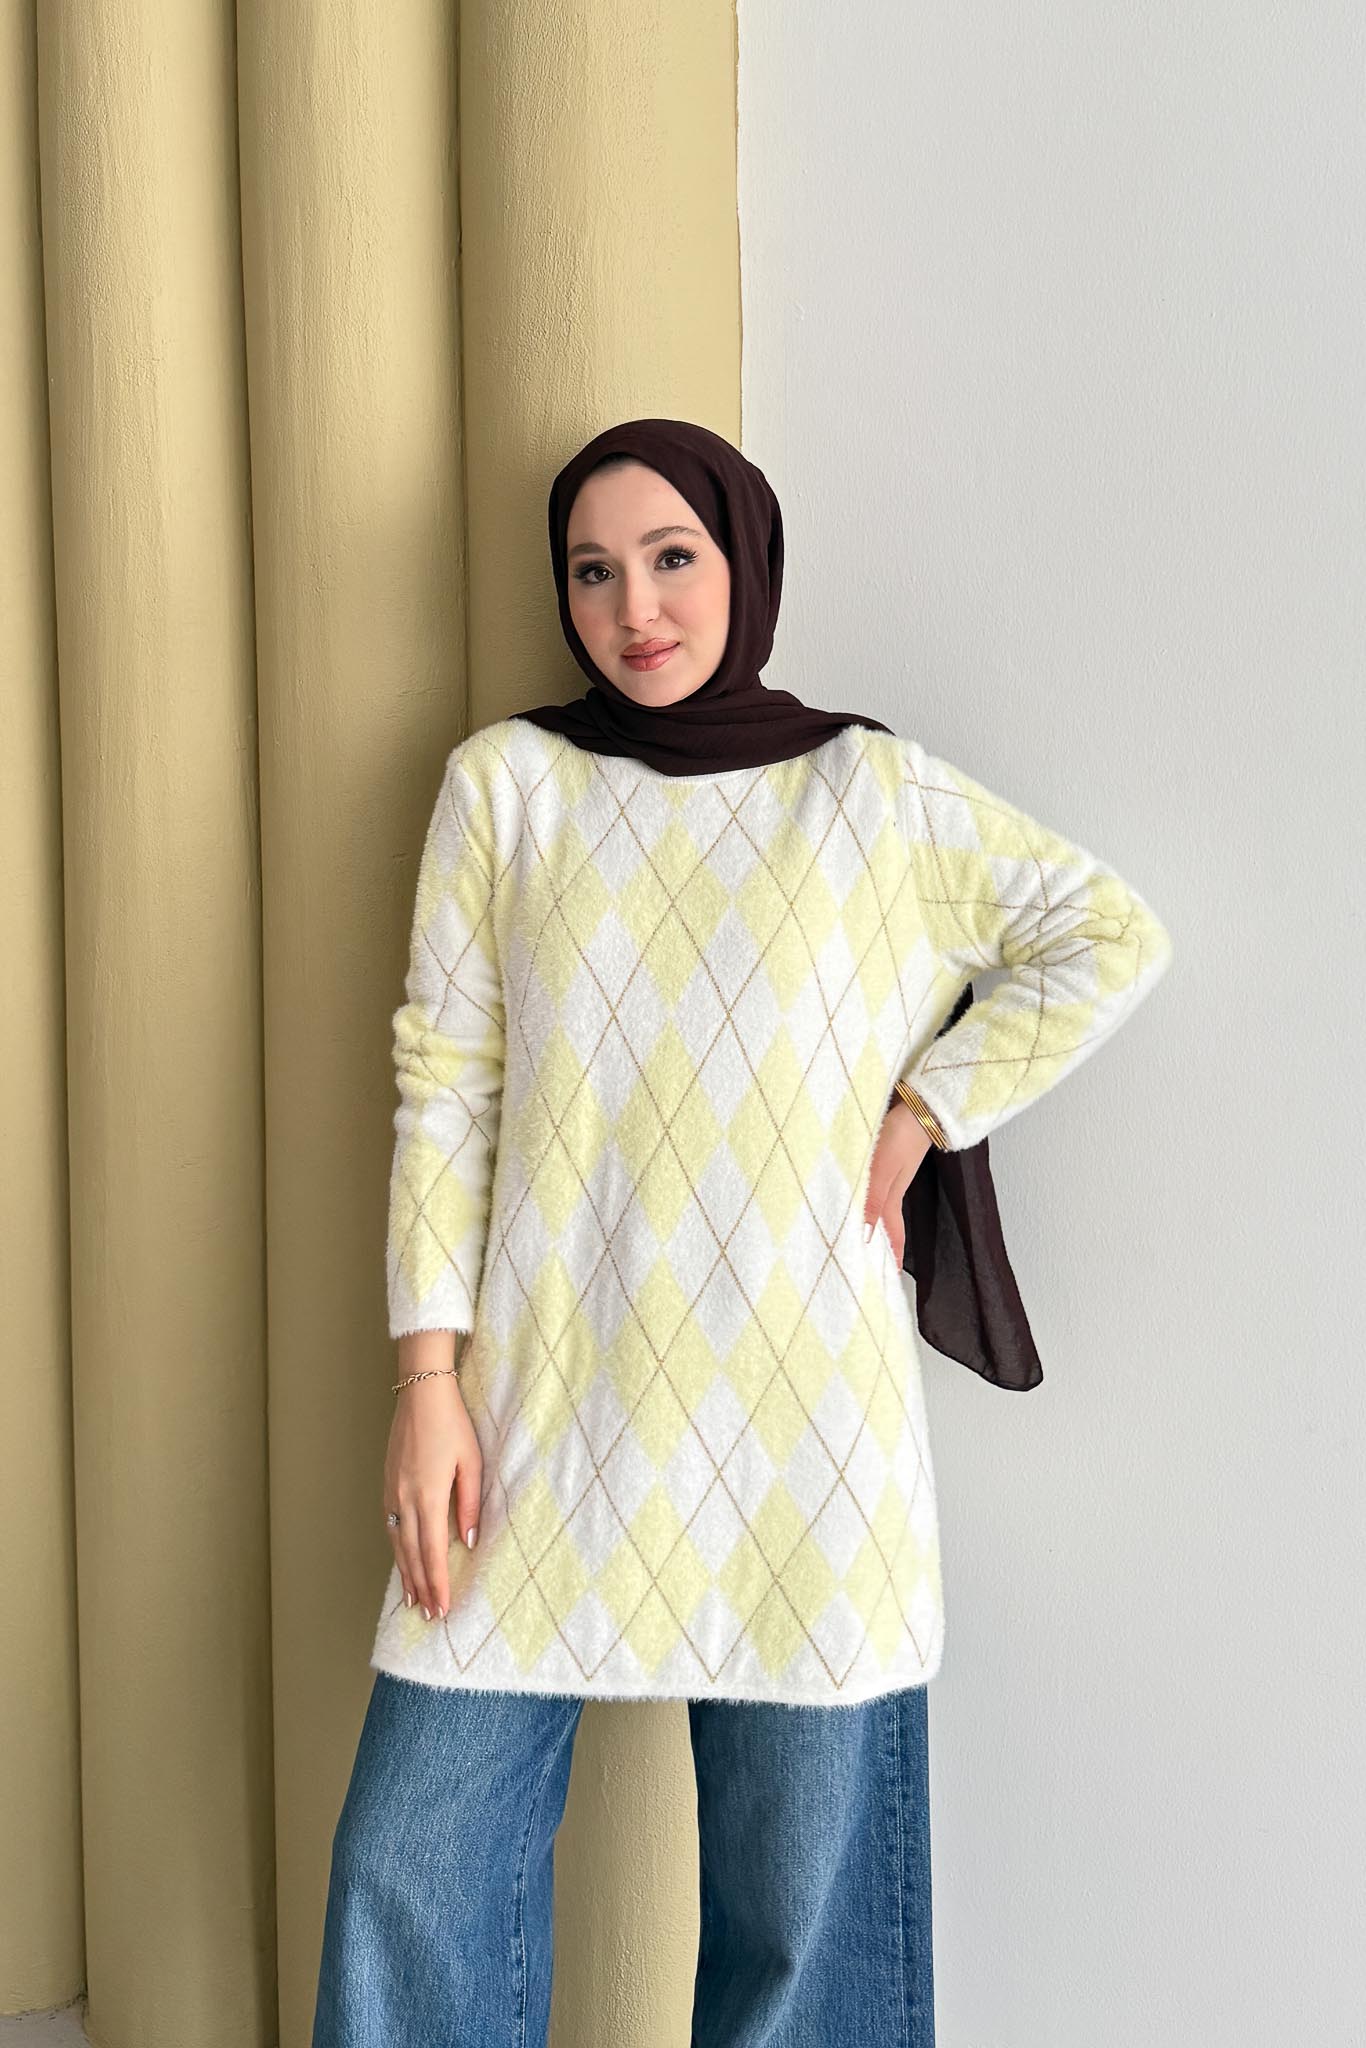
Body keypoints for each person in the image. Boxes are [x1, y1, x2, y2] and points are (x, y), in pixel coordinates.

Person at [311, 419, 1173, 2047]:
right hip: (539, 1410)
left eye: (671, 558)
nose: (632, 608)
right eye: (591, 571)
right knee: (406, 1869)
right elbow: (445, 1090)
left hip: (808, 1440)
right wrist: (426, 1381)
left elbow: (1103, 932)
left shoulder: (870, 795)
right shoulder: (508, 789)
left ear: (745, 560)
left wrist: (927, 1106)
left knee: (803, 1943)